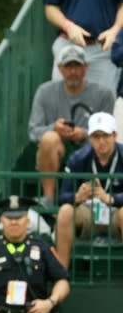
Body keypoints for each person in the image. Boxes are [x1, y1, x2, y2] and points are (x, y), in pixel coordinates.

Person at [28, 45, 115, 203]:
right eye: (68, 66)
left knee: (102, 142)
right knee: (49, 138)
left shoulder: (104, 94)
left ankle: (101, 196)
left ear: (85, 67)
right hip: (58, 148)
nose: (73, 72)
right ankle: (48, 198)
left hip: (90, 147)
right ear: (60, 68)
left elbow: (109, 132)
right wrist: (54, 128)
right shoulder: (44, 91)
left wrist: (85, 133)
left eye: (77, 66)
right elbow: (33, 132)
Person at [55, 112, 123, 268]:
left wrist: (112, 199)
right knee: (65, 211)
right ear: (90, 138)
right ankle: (61, 274)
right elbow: (62, 196)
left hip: (116, 213)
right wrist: (77, 197)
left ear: (115, 135)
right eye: (96, 136)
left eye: (105, 135)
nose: (101, 141)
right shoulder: (78, 158)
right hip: (88, 212)